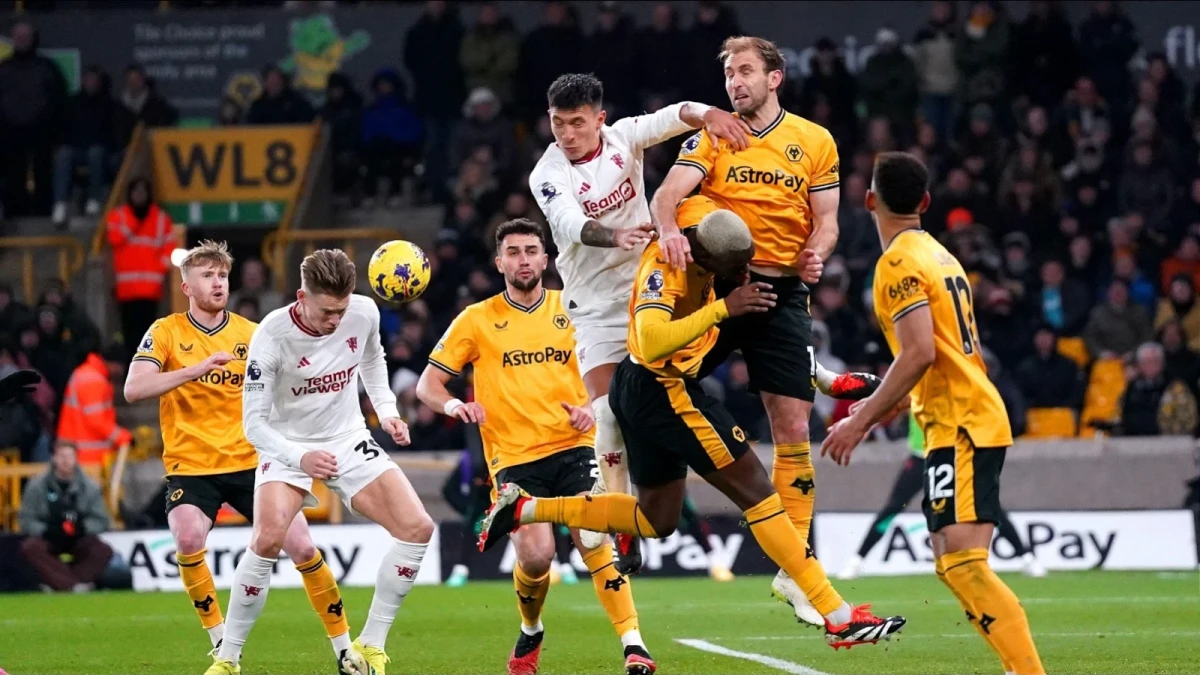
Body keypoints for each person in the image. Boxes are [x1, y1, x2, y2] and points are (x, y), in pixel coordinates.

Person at [480, 205, 906, 650]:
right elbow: (647, 340)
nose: (744, 274)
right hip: (661, 388)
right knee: (758, 491)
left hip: (648, 391)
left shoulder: (707, 227)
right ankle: (836, 613)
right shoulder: (668, 264)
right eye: (735, 268)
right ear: (706, 257)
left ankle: (527, 509)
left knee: (656, 519)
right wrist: (722, 307)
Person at [822, 152, 1044, 674]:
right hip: (950, 418)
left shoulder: (898, 262)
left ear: (870, 200)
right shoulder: (942, 256)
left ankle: (1028, 671)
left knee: (964, 564)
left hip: (962, 421)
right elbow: (939, 356)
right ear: (923, 203)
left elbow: (918, 352)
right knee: (950, 562)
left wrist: (860, 420)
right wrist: (882, 408)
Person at [649, 35, 846, 624]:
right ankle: (634, 482)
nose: (734, 83)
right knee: (657, 377)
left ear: (774, 77)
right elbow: (667, 195)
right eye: (729, 74)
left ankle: (796, 573)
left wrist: (817, 254)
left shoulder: (814, 141)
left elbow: (829, 221)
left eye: (744, 72)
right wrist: (669, 231)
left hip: (784, 291)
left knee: (792, 425)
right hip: (721, 286)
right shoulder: (714, 134)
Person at [528, 72, 750, 575]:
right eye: (559, 123)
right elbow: (568, 225)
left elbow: (676, 113)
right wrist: (617, 234)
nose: (567, 134)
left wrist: (710, 114)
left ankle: (814, 373)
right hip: (596, 305)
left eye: (577, 123)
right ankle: (620, 523)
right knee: (607, 415)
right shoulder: (548, 171)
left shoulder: (624, 136)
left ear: (599, 119)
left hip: (651, 289)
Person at [416, 218, 655, 675]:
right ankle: (531, 628)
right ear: (499, 261)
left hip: (576, 444)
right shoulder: (476, 319)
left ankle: (634, 644)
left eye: (531, 250)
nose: (523, 259)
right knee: (537, 554)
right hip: (514, 458)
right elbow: (429, 384)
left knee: (592, 539)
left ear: (546, 260)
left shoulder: (574, 307)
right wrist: (452, 407)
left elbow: (614, 365)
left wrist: (591, 405)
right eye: (514, 251)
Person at [122, 241, 354, 670]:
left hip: (254, 462)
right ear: (186, 285)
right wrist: (196, 369)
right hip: (191, 465)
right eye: (208, 276)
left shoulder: (253, 332)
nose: (218, 283)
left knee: (303, 546)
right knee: (188, 538)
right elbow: (134, 389)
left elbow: (295, 385)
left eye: (222, 276)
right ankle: (222, 645)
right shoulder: (166, 330)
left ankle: (345, 649)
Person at [206, 250, 434, 675]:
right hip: (287, 445)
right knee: (268, 540)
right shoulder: (271, 336)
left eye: (341, 310)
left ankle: (370, 646)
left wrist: (386, 411)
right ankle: (228, 659)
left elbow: (371, 359)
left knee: (418, 528)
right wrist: (301, 457)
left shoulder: (362, 311)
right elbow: (253, 426)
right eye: (326, 311)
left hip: (347, 438)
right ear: (300, 296)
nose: (334, 320)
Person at [836, 411, 1046, 580]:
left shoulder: (950, 381)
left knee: (988, 504)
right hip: (920, 457)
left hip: (952, 456)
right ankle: (857, 560)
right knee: (893, 507)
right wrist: (862, 423)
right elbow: (895, 401)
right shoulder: (914, 379)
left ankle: (1026, 557)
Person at [18, 442, 114, 592]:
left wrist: (82, 528)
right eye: (61, 456)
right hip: (49, 536)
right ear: (53, 458)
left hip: (79, 537)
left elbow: (102, 519)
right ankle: (74, 585)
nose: (65, 461)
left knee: (102, 550)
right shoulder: (36, 485)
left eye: (69, 456)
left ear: (76, 459)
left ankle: (61, 583)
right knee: (30, 547)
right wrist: (46, 530)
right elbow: (26, 519)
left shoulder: (90, 486)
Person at [106, 177, 176, 356]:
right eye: (136, 192)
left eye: (143, 192)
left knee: (149, 337)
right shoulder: (119, 216)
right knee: (129, 337)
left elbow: (170, 248)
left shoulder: (160, 219)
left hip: (150, 290)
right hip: (126, 291)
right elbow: (114, 238)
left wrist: (158, 269)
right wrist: (135, 219)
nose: (139, 196)